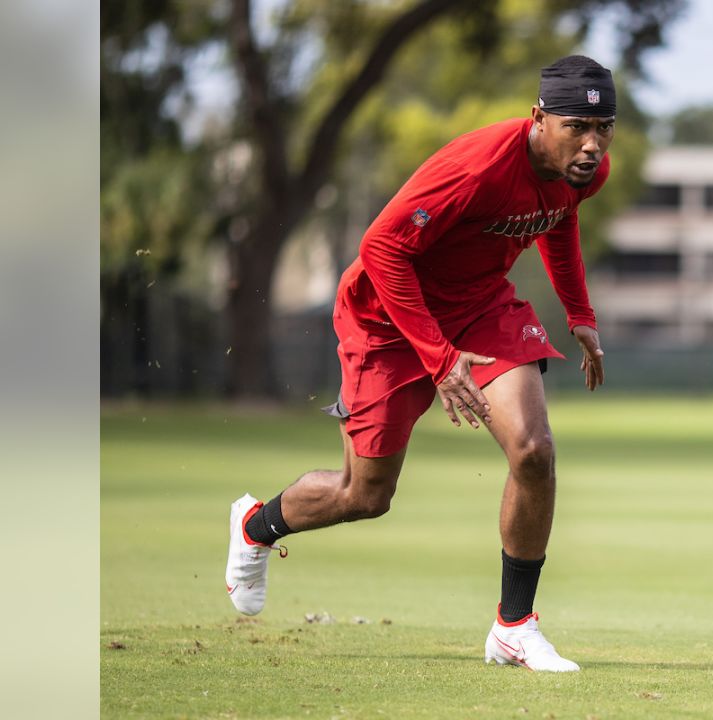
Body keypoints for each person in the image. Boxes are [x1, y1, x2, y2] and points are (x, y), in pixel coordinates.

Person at [224, 55, 616, 673]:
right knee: (365, 495)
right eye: (576, 127)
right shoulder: (479, 167)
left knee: (534, 451)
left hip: (481, 303)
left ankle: (514, 627)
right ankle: (256, 525)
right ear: (538, 118)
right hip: (386, 314)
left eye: (604, 129)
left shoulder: (582, 170)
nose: (592, 144)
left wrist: (580, 312)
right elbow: (380, 248)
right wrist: (439, 359)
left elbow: (558, 223)